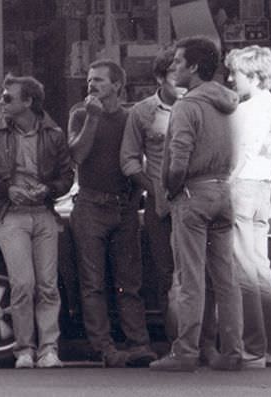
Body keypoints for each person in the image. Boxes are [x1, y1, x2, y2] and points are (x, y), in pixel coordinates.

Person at [0, 74, 74, 369]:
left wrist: (49, 189)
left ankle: (49, 348)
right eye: (3, 96)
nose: (2, 100)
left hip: (43, 213)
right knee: (23, 283)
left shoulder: (54, 134)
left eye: (8, 97)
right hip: (11, 214)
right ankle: (25, 348)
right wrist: (5, 189)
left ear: (29, 102)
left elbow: (67, 176)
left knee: (48, 285)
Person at [149, 36, 243, 372]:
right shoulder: (229, 104)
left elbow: (178, 160)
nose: (173, 67)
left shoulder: (188, 106)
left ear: (194, 67)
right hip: (223, 190)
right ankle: (232, 350)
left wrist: (172, 190)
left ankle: (185, 351)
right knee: (225, 277)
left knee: (190, 278)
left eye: (178, 61)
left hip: (193, 193)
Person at [119, 48, 218, 363]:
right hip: (162, 207)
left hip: (198, 200)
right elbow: (130, 160)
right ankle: (179, 344)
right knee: (169, 277)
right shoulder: (144, 113)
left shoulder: (202, 105)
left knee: (204, 274)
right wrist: (156, 188)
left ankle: (206, 343)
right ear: (161, 79)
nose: (183, 85)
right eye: (176, 79)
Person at [68, 59, 157, 368]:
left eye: (100, 80)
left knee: (129, 281)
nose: (92, 85)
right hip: (90, 205)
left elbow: (138, 160)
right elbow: (77, 154)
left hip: (124, 206)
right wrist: (92, 117)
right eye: (90, 80)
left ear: (118, 85)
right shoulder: (80, 114)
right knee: (93, 282)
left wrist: (136, 197)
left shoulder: (131, 118)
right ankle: (104, 347)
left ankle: (139, 344)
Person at [225, 45, 271, 368]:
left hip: (242, 188)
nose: (231, 78)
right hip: (263, 188)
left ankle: (254, 348)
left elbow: (239, 155)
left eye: (236, 72)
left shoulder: (245, 111)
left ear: (253, 75)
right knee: (262, 269)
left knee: (244, 271)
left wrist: (226, 184)